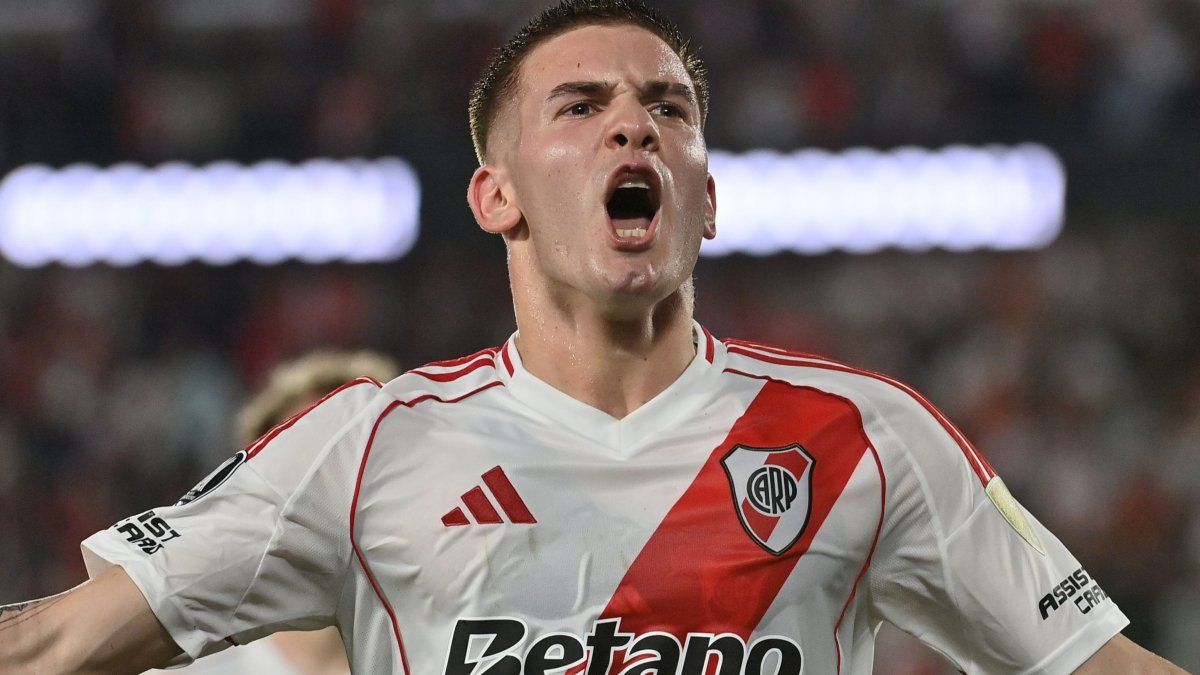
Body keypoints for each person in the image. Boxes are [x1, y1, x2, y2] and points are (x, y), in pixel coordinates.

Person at [0, 2, 1186, 673]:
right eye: (582, 107)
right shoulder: (365, 447)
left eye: (668, 108)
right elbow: (54, 642)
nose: (636, 127)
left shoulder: (867, 438)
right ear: (497, 195)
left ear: (707, 199)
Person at [156, 350, 399, 675]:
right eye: (304, 458)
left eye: (351, 454)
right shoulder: (191, 664)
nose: (329, 486)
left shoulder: (446, 650)